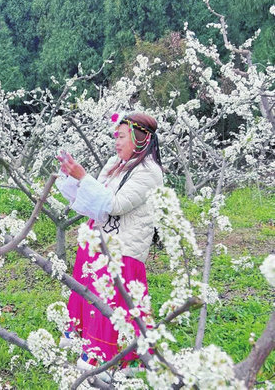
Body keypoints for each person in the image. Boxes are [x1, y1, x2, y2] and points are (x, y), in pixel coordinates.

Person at [56, 113, 163, 372]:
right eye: (116, 136)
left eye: (122, 136)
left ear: (140, 139)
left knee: (113, 304)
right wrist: (74, 177)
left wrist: (84, 178)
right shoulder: (117, 163)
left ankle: (113, 360)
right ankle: (89, 348)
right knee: (93, 298)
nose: (116, 142)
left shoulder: (149, 172)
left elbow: (114, 205)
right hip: (99, 243)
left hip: (122, 251)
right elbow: (93, 200)